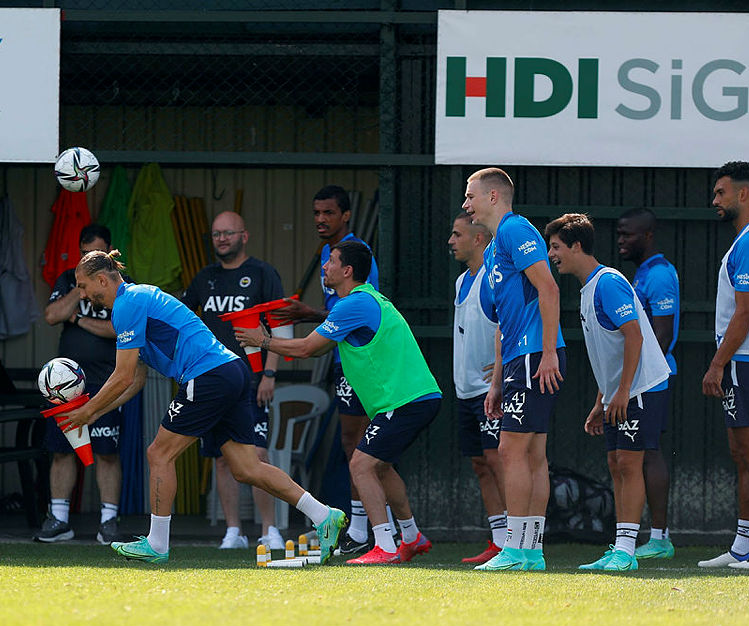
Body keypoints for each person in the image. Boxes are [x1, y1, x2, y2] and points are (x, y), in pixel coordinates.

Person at [58, 250, 346, 564]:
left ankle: (156, 544)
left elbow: (122, 375)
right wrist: (96, 412)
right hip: (230, 371)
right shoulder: (136, 300)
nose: (82, 294)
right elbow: (136, 378)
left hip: (207, 376)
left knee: (158, 453)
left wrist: (86, 410)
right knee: (247, 468)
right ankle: (324, 514)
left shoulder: (128, 305)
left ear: (102, 279)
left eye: (83, 286)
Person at [239, 240, 440, 565]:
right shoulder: (362, 301)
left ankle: (385, 547)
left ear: (347, 271)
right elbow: (317, 347)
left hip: (405, 400)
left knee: (360, 465)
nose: (324, 267)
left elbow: (306, 349)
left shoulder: (353, 304)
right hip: (414, 397)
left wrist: (260, 340)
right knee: (381, 466)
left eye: (331, 261)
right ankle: (412, 536)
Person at [547, 214, 670, 571]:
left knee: (630, 465)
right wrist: (601, 401)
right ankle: (621, 547)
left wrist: (624, 392)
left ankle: (626, 553)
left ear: (577, 246)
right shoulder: (588, 289)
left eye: (556, 247)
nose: (551, 255)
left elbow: (635, 336)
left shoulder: (609, 282)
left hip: (642, 389)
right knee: (616, 463)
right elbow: (608, 353)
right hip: (620, 393)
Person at [269, 185, 383, 556]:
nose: (320, 219)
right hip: (340, 360)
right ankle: (370, 529)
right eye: (316, 213)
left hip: (361, 362)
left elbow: (361, 309)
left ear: (345, 216)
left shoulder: (356, 255)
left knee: (362, 444)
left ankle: (370, 530)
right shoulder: (326, 253)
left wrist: (308, 315)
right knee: (354, 443)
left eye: (328, 213)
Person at [462, 168, 565, 572]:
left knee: (511, 451)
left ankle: (518, 548)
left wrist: (549, 352)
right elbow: (504, 319)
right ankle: (530, 551)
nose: (465, 204)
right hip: (520, 359)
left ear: (492, 197)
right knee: (533, 453)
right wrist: (496, 384)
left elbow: (550, 288)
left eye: (470, 196)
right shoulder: (491, 251)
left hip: (535, 355)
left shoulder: (515, 229)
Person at [181, 211, 288, 551]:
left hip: (254, 380)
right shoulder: (204, 278)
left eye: (228, 233)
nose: (221, 239)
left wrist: (270, 373)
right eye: (216, 234)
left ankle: (269, 530)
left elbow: (280, 326)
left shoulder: (262, 273)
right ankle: (233, 532)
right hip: (213, 382)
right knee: (222, 458)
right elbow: (183, 320)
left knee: (256, 455)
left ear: (245, 236)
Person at [36, 224, 124, 545]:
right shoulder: (68, 281)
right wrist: (79, 286)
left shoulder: (118, 286)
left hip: (106, 382)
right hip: (63, 385)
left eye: (95, 254)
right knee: (61, 451)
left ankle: (108, 523)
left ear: (109, 254)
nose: (89, 258)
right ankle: (59, 521)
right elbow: (51, 315)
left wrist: (76, 319)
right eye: (84, 254)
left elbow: (116, 329)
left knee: (107, 453)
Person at [699, 161, 749, 570]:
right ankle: (743, 547)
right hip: (743, 362)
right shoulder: (745, 242)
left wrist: (717, 364)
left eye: (721, 192)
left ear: (743, 194)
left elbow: (745, 312)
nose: (714, 200)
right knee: (742, 455)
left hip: (748, 362)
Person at [616, 207, 681, 560]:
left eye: (628, 235)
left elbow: (663, 335)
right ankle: (649, 536)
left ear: (648, 235)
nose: (622, 241)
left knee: (649, 452)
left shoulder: (658, 275)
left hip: (652, 379)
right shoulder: (641, 274)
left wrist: (637, 376)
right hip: (642, 378)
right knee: (638, 454)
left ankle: (660, 538)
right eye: (619, 235)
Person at [447, 213, 506, 565]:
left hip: (489, 391)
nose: (451, 241)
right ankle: (498, 540)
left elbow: (509, 323)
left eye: (457, 234)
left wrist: (497, 374)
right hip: (465, 389)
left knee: (499, 461)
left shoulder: (493, 278)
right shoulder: (460, 282)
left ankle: (517, 539)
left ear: (479, 239)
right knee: (480, 464)